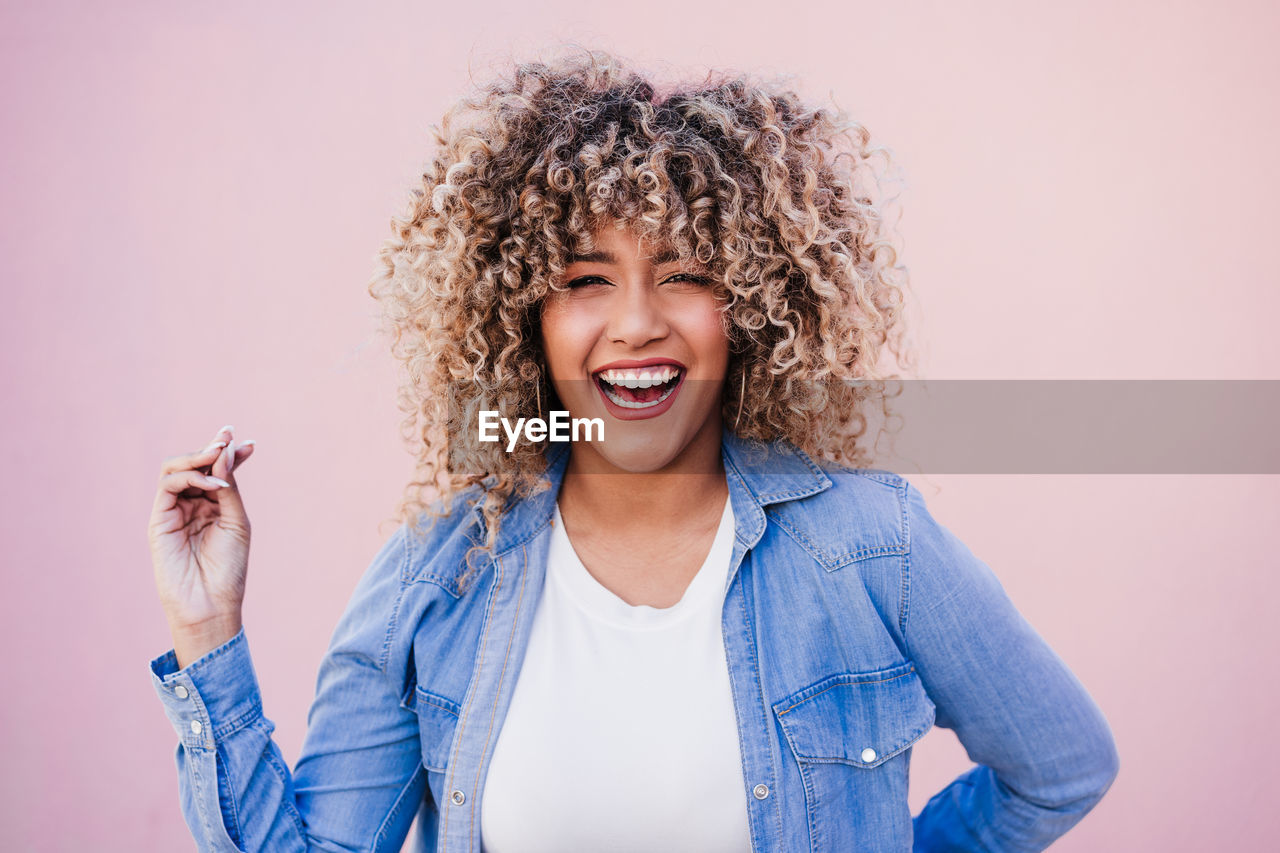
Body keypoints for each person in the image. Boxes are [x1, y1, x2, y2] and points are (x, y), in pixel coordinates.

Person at [147, 49, 1119, 852]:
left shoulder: (871, 542)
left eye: (684, 274)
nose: (637, 323)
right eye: (584, 280)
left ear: (750, 305)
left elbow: (1058, 766)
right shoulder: (436, 568)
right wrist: (206, 632)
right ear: (519, 315)